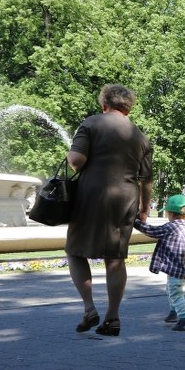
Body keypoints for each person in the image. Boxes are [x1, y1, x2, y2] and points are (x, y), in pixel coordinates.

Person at [65, 84, 153, 337]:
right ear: (128, 107)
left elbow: (76, 161)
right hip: (126, 198)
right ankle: (112, 318)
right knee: (115, 258)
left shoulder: (91, 124)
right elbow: (146, 180)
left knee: (75, 250)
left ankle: (89, 307)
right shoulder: (140, 136)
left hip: (92, 194)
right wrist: (144, 209)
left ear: (104, 104)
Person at [133, 194, 185, 332]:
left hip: (175, 270)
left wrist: (135, 222)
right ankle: (173, 313)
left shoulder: (170, 227)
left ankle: (184, 319)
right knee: (171, 289)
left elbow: (151, 231)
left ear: (170, 214)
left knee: (175, 294)